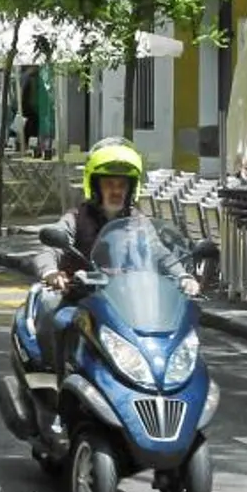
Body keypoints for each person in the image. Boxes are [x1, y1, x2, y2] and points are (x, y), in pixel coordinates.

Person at [28, 138, 200, 381]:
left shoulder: (138, 222)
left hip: (128, 306)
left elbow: (161, 254)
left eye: (122, 184)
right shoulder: (76, 218)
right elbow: (48, 250)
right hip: (82, 299)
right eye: (109, 184)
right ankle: (56, 383)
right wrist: (51, 273)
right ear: (95, 187)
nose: (116, 190)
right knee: (56, 317)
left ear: (132, 188)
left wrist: (183, 276)